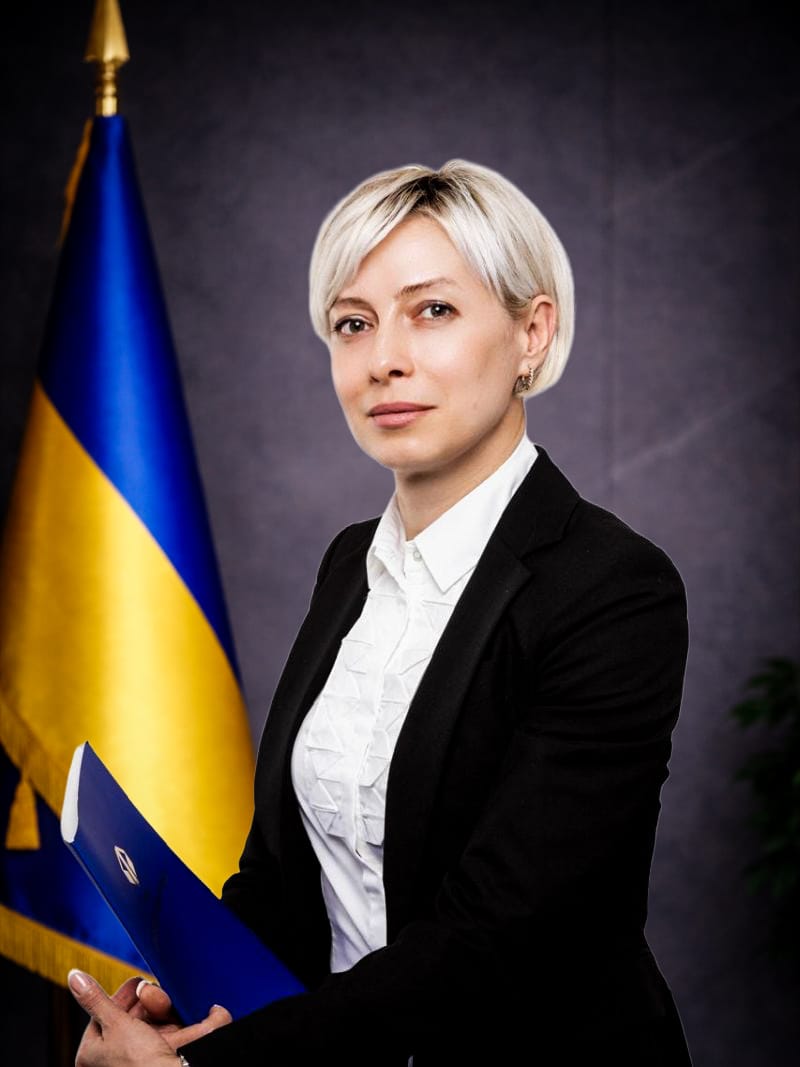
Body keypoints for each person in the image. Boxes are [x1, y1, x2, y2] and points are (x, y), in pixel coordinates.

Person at [67, 160, 692, 1066]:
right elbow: (285, 879)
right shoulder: (347, 564)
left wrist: (211, 1063)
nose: (384, 358)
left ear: (532, 331)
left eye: (432, 309)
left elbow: (497, 938)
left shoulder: (615, 589)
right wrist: (185, 1009)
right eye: (353, 323)